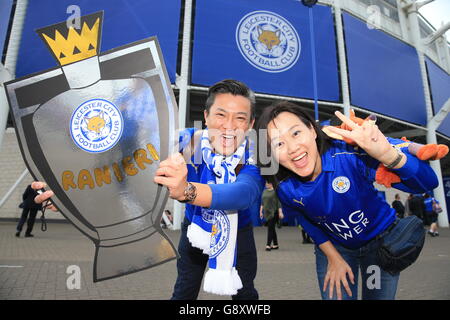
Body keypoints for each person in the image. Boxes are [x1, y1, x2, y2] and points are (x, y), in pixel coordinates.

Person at [256, 101, 438, 300]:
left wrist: (388, 155)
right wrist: (333, 258)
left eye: (296, 133)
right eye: (278, 144)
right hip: (336, 249)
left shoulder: (349, 155)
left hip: (379, 247)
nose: (292, 148)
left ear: (313, 130)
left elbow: (428, 183)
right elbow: (308, 223)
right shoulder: (286, 188)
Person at [154, 79, 264, 300]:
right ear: (206, 117)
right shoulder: (184, 142)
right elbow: (142, 153)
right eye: (221, 115)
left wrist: (187, 191)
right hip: (194, 226)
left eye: (240, 118)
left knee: (244, 294)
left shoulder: (257, 153)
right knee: (184, 290)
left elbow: (243, 194)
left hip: (239, 231)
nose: (229, 125)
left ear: (251, 124)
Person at [260, 182, 283, 251]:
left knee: (270, 228)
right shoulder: (264, 191)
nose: (266, 184)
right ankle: (275, 244)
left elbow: (278, 202)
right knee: (272, 228)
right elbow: (262, 202)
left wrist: (280, 212)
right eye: (266, 183)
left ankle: (268, 245)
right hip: (267, 213)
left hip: (274, 212)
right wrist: (260, 211)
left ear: (271, 184)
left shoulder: (275, 192)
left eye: (268, 183)